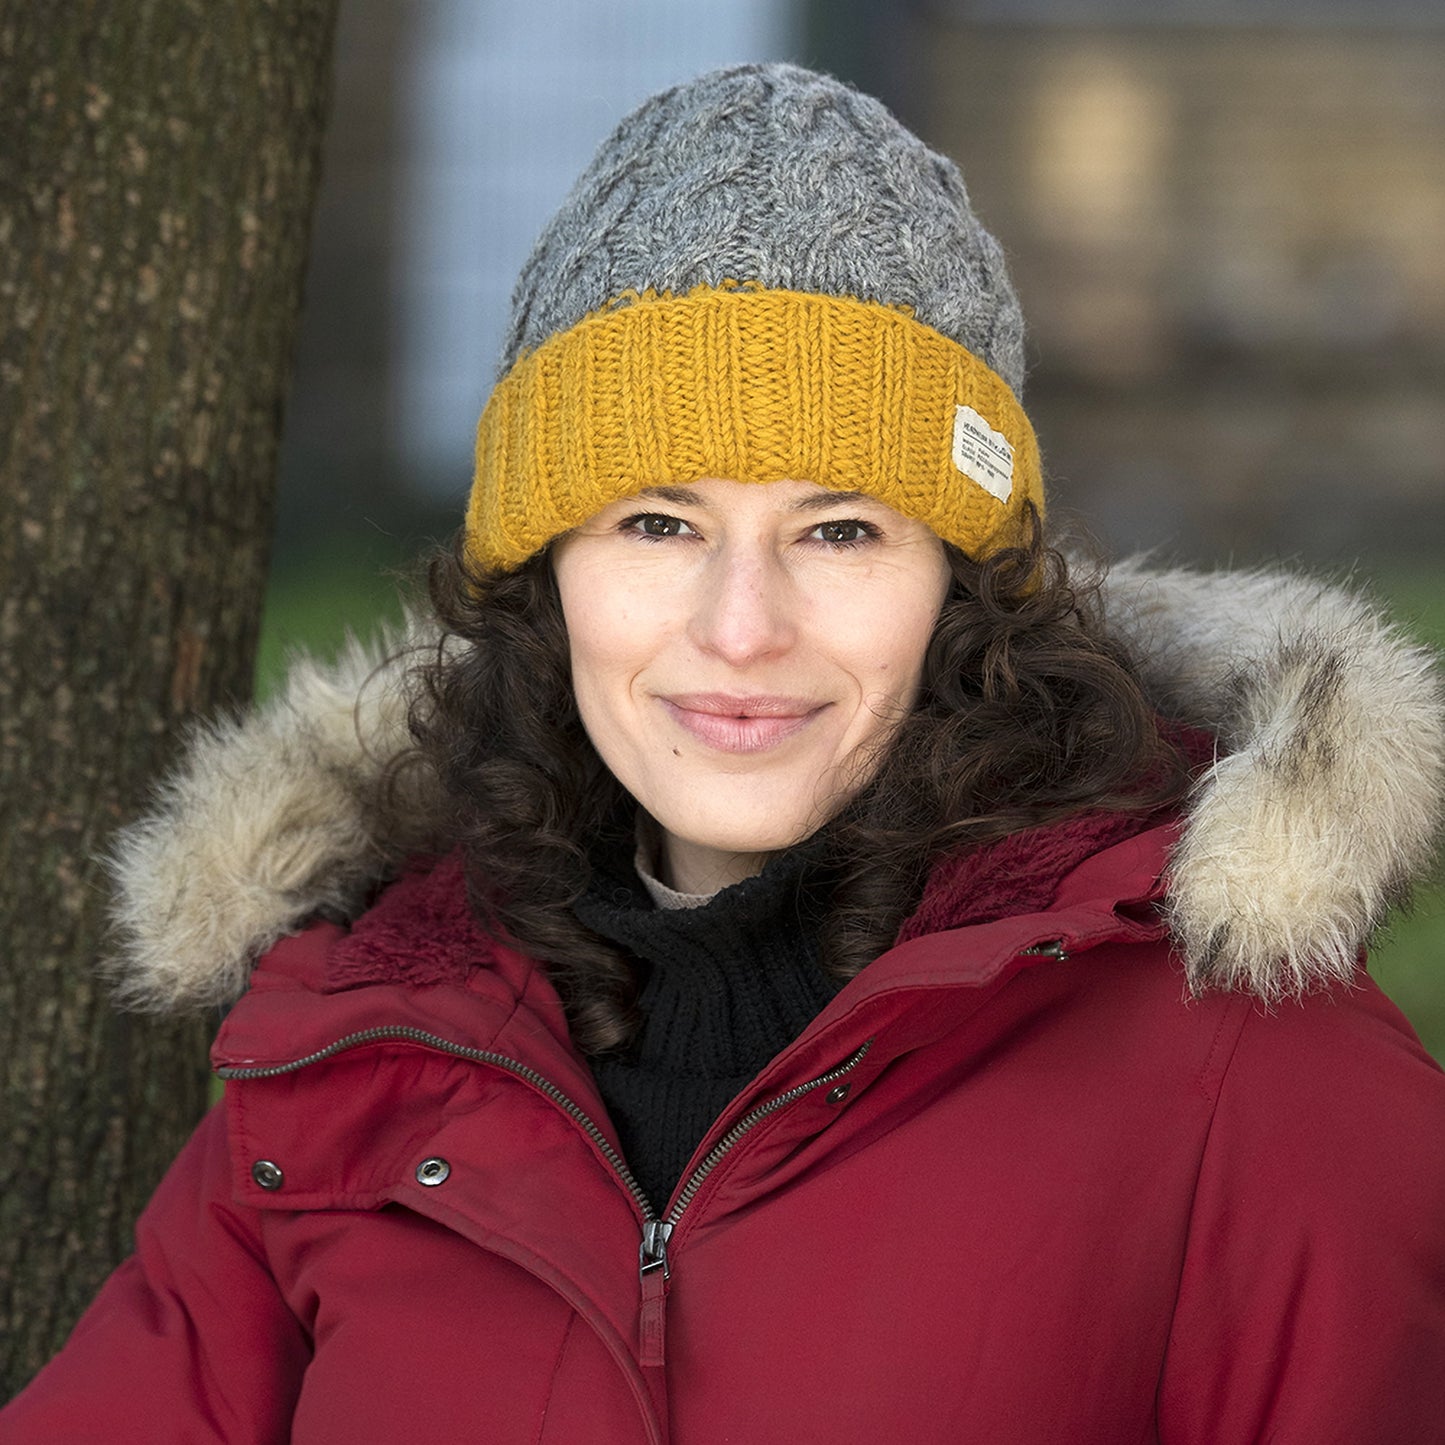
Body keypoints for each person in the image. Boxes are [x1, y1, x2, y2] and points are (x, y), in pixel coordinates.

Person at [5, 62, 1444, 1445]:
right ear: (544, 571)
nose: (741, 628)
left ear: (960, 586)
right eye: (657, 522)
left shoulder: (1243, 1060)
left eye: (839, 529)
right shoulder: (355, 1044)